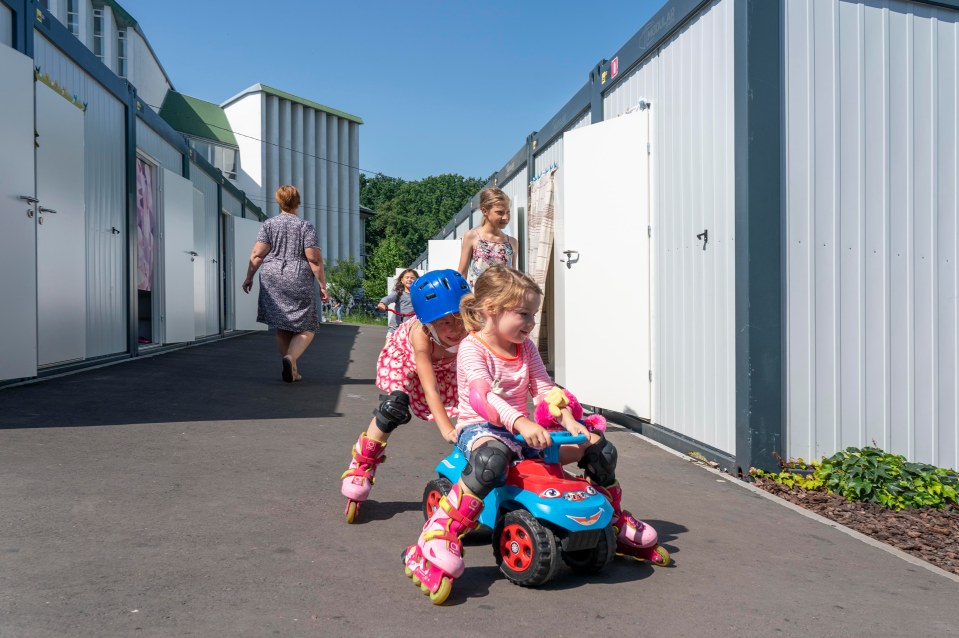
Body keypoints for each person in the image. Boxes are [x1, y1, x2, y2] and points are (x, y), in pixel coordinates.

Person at [403, 264, 659, 599]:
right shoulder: (472, 348)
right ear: (491, 310)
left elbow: (544, 389)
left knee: (599, 447)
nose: (531, 323)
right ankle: (439, 533)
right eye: (524, 314)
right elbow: (483, 397)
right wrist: (520, 422)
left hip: (524, 431)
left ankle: (612, 518)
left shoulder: (525, 348)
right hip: (482, 428)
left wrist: (568, 420)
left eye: (533, 315)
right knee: (491, 461)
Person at [341, 270, 470, 523]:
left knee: (477, 404)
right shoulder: (420, 335)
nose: (456, 329)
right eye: (445, 322)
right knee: (394, 408)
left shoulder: (473, 329)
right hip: (405, 361)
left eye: (461, 319)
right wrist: (446, 429)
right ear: (428, 322)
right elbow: (429, 387)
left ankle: (474, 469)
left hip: (447, 367)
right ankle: (362, 465)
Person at [242, 185, 328, 383]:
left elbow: (256, 255)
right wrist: (323, 285)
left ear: (279, 202)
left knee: (282, 324)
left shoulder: (269, 225)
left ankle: (293, 369)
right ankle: (291, 358)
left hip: (272, 275)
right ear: (298, 202)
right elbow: (314, 260)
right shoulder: (305, 226)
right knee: (307, 326)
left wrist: (249, 277)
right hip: (297, 276)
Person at [457, 186, 518, 287]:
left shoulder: (512, 242)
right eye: (500, 212)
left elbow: (514, 276)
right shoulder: (472, 236)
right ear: (485, 211)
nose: (506, 217)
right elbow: (461, 274)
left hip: (506, 300)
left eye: (508, 212)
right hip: (480, 300)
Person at [378, 269, 419, 333]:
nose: (409, 279)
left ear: (417, 281)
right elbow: (389, 298)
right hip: (396, 326)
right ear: (402, 280)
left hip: (412, 327)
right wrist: (382, 303)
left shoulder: (419, 294)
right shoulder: (398, 293)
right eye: (407, 277)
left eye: (412, 278)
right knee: (390, 342)